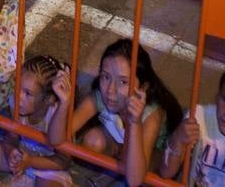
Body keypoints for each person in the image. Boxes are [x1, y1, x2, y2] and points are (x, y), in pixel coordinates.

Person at [48, 40, 183, 187]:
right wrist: (64, 103)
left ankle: (113, 175)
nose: (111, 90)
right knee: (93, 140)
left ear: (143, 88)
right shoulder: (99, 96)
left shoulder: (152, 114)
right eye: (106, 77)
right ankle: (111, 173)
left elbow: (135, 179)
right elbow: (56, 139)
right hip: (119, 145)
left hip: (150, 157)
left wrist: (135, 122)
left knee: (138, 171)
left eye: (123, 82)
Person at [0, 55, 73, 185]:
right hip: (22, 154)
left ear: (48, 99)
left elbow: (63, 161)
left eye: (28, 93)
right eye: (18, 87)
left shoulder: (57, 113)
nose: (18, 96)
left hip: (47, 166)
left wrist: (30, 161)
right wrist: (10, 152)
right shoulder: (17, 103)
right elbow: (10, 139)